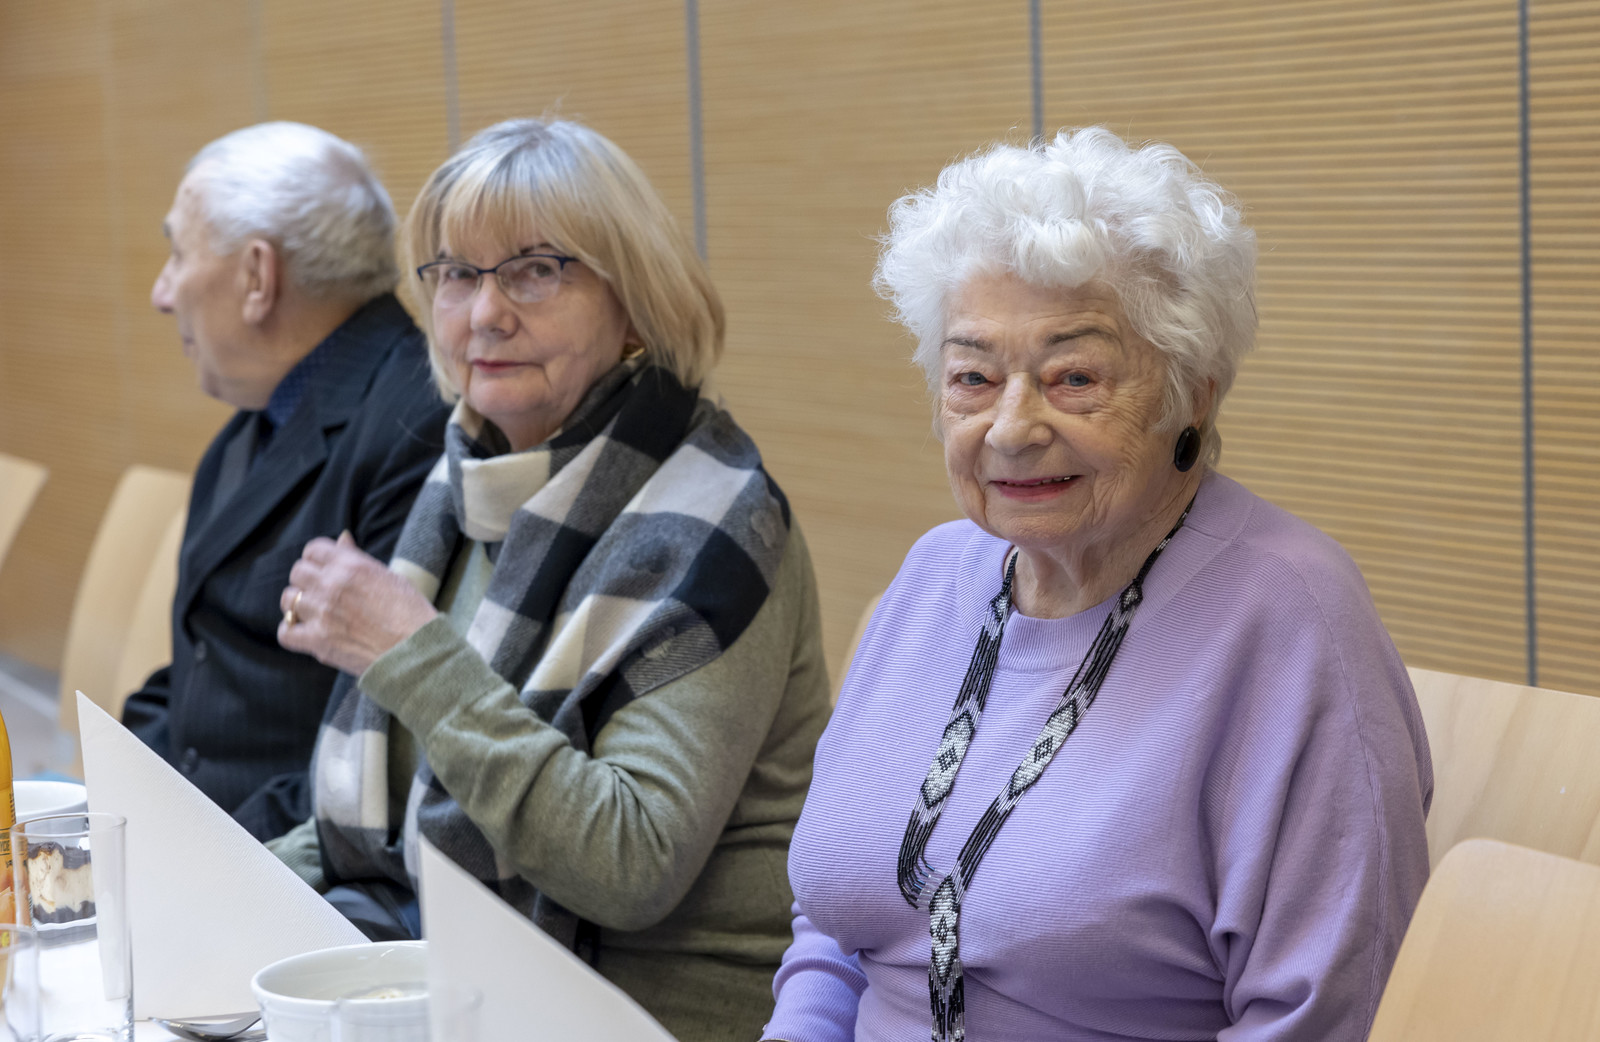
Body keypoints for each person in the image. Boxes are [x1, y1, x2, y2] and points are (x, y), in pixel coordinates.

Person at [763, 129, 1433, 1042]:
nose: (1011, 428)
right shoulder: (931, 579)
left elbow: (1323, 1019)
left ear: (1191, 391)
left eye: (1074, 377)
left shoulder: (1292, 624)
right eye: (973, 377)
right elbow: (838, 925)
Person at [266, 118, 832, 1042]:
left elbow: (630, 862)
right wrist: (235, 896)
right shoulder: (466, 483)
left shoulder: (715, 522)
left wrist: (414, 653)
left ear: (635, 304)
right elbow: (381, 819)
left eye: (535, 271)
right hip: (446, 972)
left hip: (642, 1010)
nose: (485, 313)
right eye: (457, 273)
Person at [123, 123, 450, 842]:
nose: (162, 293)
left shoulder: (415, 424)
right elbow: (203, 663)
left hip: (279, 865)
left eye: (178, 254)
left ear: (257, 277)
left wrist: (187, 848)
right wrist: (116, 787)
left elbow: (382, 755)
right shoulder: (255, 420)